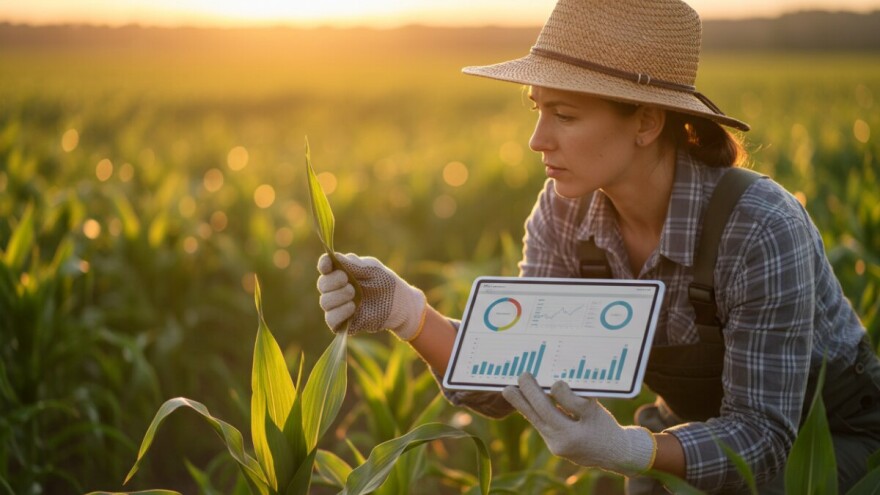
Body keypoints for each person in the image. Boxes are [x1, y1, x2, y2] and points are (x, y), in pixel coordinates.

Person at [315, 0, 880, 492]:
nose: (538, 140)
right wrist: (406, 313)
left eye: (565, 115)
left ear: (647, 121)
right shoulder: (564, 212)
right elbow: (511, 379)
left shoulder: (758, 226)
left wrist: (634, 450)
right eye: (536, 110)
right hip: (690, 428)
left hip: (832, 438)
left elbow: (763, 437)